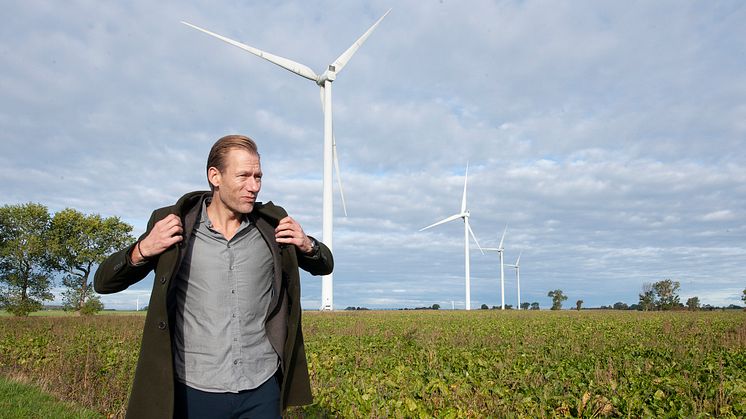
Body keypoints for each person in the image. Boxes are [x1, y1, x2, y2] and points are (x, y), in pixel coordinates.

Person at [94, 134, 333, 419]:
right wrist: (143, 249)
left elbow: (324, 264)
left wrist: (308, 245)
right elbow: (104, 283)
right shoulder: (175, 225)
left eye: (258, 176)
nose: (253, 186)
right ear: (215, 176)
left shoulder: (272, 227)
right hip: (193, 390)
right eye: (244, 176)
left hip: (261, 387)